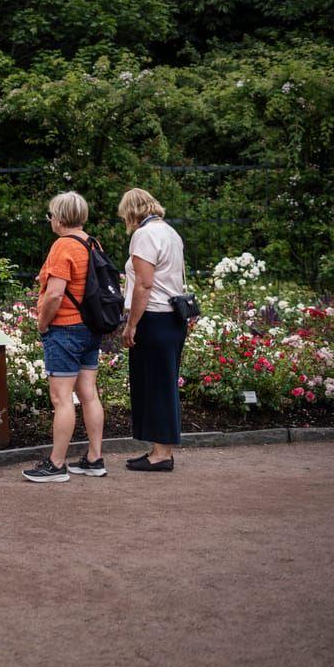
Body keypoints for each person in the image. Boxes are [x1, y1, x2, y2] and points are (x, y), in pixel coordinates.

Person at [24, 191, 107, 483]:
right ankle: (94, 458)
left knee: (62, 399)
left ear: (59, 218)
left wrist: (43, 323)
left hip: (65, 329)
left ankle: (56, 464)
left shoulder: (62, 246)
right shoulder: (92, 243)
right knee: (89, 394)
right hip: (90, 328)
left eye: (51, 215)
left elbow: (55, 294)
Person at [118, 188, 190, 472]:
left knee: (156, 386)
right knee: (163, 384)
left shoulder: (145, 235)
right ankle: (160, 450)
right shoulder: (171, 233)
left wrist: (131, 324)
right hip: (173, 319)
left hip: (154, 317)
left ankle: (161, 455)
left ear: (131, 212)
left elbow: (144, 284)